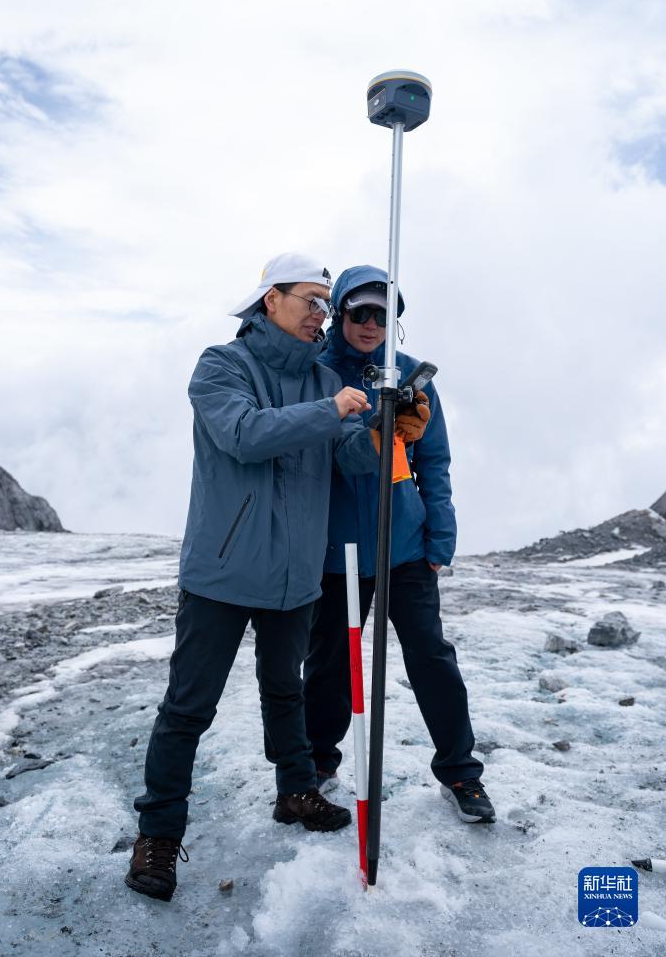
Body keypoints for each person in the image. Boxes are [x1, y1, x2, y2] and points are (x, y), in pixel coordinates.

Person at [126, 253, 406, 902]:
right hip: (223, 572)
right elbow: (245, 434)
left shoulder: (321, 379)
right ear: (271, 299)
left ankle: (295, 790)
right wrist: (332, 409)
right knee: (188, 708)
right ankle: (158, 834)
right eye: (311, 300)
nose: (321, 315)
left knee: (286, 692)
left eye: (326, 305)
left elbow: (350, 460)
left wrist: (384, 425)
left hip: (295, 574)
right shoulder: (221, 366)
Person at [304, 265, 495, 824]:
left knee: (431, 657)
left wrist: (441, 536)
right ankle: (316, 765)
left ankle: (460, 772)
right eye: (360, 312)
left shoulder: (412, 376)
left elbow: (434, 462)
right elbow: (327, 455)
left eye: (383, 314)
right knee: (329, 664)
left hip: (405, 547)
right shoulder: (316, 374)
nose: (371, 324)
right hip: (336, 550)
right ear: (340, 313)